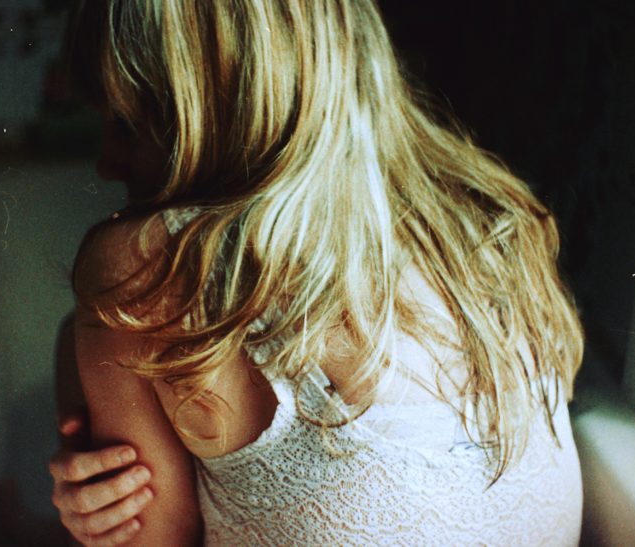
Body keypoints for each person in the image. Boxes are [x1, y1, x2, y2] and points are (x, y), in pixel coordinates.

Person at [49, 0, 585, 545]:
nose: (106, 163)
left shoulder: (138, 270)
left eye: (126, 125)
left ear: (220, 105)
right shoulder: (492, 222)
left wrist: (81, 363)